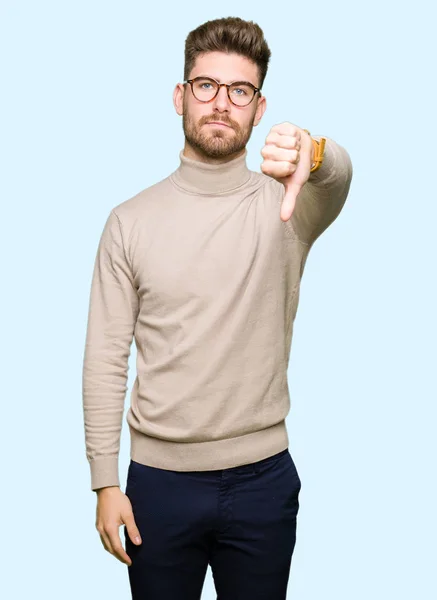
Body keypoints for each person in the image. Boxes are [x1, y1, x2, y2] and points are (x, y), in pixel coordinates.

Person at [82, 15, 353, 600]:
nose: (221, 103)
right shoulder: (129, 221)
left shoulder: (288, 206)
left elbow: (337, 181)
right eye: (206, 86)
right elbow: (106, 358)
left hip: (263, 480)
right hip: (157, 485)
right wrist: (105, 481)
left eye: (240, 91)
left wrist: (316, 152)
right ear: (181, 96)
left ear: (258, 108)